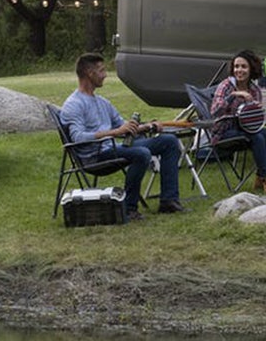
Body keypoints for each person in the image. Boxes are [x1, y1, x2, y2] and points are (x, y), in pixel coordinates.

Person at [61, 53, 186, 220]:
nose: (105, 75)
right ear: (90, 74)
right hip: (95, 157)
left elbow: (123, 126)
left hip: (113, 148)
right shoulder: (74, 104)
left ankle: (169, 201)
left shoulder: (102, 102)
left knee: (169, 141)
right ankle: (129, 208)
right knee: (141, 153)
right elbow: (78, 138)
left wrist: (148, 126)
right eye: (102, 70)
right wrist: (115, 132)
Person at [210, 50, 266, 195]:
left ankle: (260, 176)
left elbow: (255, 118)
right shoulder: (226, 86)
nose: (239, 70)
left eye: (244, 67)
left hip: (248, 128)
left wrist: (256, 109)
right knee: (257, 137)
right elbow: (215, 112)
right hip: (225, 132)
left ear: (251, 69)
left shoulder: (254, 89)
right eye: (236, 66)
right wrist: (233, 96)